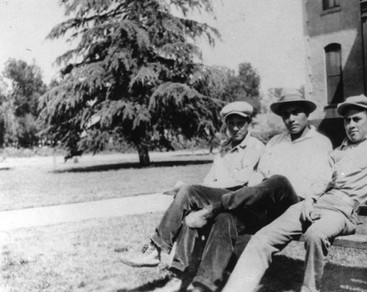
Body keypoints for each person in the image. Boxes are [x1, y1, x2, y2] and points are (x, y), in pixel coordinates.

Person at [222, 94, 367, 292]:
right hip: (318, 203)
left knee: (315, 235)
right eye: (347, 120)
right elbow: (322, 181)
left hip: (344, 211)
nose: (351, 125)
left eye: (357, 119)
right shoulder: (337, 151)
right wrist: (309, 201)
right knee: (263, 237)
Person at [120, 89, 334, 292]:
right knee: (223, 217)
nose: (291, 119)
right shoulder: (275, 142)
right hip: (263, 205)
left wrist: (310, 200)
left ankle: (212, 209)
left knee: (278, 181)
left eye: (296, 113)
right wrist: (250, 195)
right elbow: (258, 178)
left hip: (293, 204)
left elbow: (322, 179)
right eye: (286, 115)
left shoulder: (320, 143)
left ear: (307, 113)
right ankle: (200, 285)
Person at [119, 100, 263, 265]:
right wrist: (198, 189)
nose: (236, 128)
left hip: (239, 202)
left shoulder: (255, 147)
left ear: (248, 124)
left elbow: (241, 180)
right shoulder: (224, 149)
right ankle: (180, 266)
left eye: (240, 123)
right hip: (220, 199)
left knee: (187, 191)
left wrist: (196, 189)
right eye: (231, 124)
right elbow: (210, 178)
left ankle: (157, 247)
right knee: (188, 206)